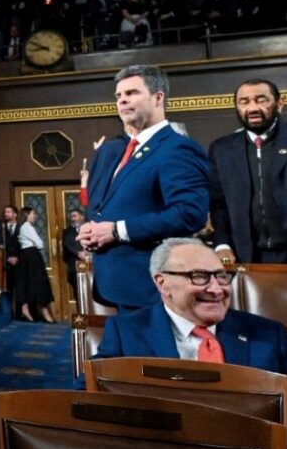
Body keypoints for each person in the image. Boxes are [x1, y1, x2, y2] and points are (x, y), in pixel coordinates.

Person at [78, 65, 210, 310]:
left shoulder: (178, 148)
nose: (123, 100)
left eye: (132, 93)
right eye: (118, 96)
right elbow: (100, 208)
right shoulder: (111, 151)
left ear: (158, 97)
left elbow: (189, 214)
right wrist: (91, 230)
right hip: (113, 282)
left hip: (152, 285)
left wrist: (117, 231)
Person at [95, 238, 287, 374]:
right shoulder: (126, 334)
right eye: (199, 277)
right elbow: (90, 394)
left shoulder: (269, 334)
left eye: (221, 276)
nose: (216, 289)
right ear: (163, 283)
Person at [208, 79, 287, 264]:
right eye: (244, 102)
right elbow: (218, 204)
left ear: (279, 104)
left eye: (261, 100)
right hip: (245, 256)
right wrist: (222, 245)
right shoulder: (221, 149)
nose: (252, 108)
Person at [13, 207, 55, 323]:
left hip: (28, 256)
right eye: (32, 213)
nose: (34, 216)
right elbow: (40, 243)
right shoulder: (26, 226)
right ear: (26, 214)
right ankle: (43, 312)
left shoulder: (23, 226)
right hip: (32, 256)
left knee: (31, 282)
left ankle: (30, 310)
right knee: (38, 282)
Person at [61, 208, 88, 301]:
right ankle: (82, 315)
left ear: (82, 216)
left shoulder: (90, 228)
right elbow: (67, 245)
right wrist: (79, 253)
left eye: (75, 216)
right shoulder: (67, 232)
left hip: (92, 266)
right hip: (75, 267)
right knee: (79, 294)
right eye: (71, 216)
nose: (73, 218)